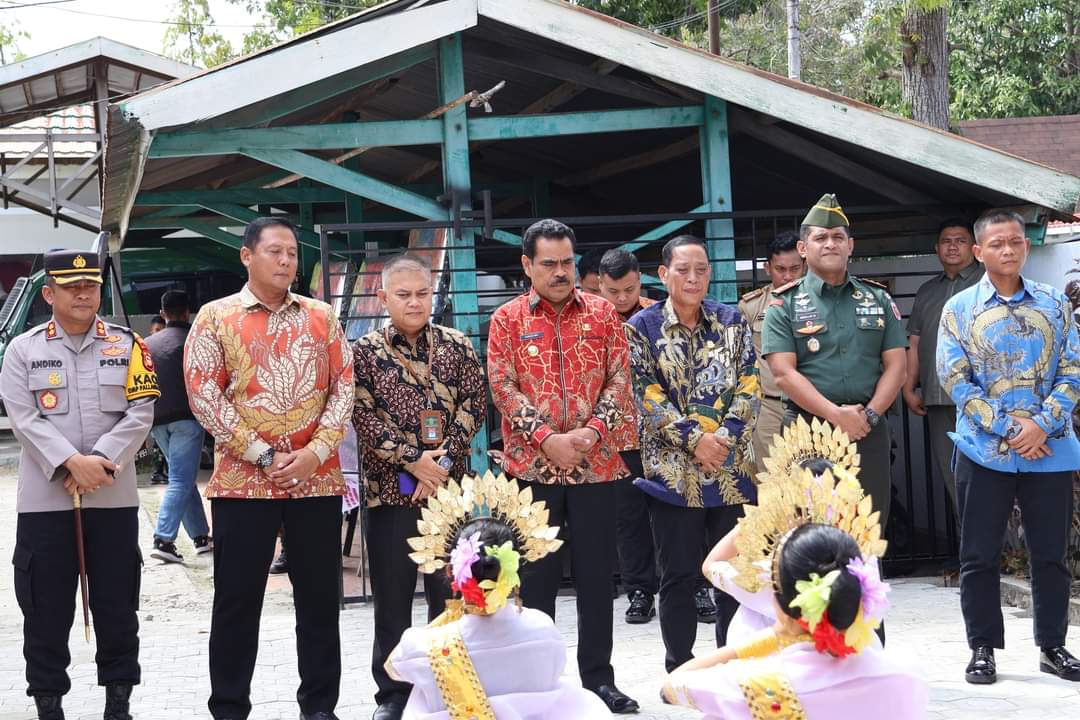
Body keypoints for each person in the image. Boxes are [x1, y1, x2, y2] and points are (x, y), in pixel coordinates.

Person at [184, 217, 354, 720]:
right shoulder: (216, 318)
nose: (285, 262)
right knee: (237, 603)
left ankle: (320, 706)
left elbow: (343, 389)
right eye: (275, 252)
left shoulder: (322, 317)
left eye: (292, 254)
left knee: (321, 602)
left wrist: (315, 453)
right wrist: (260, 453)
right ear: (247, 256)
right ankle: (230, 706)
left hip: (316, 482)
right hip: (242, 486)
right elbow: (203, 394)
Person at [486, 218, 639, 714]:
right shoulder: (506, 320)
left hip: (597, 467)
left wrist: (591, 433)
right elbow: (502, 387)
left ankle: (599, 678)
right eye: (549, 263)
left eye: (567, 262)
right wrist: (547, 438)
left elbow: (621, 380)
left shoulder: (601, 313)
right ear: (527, 265)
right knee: (536, 581)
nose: (560, 272)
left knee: (598, 577)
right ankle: (538, 683)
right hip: (532, 469)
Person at [1, 249, 159, 720]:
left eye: (90, 285)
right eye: (71, 287)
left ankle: (119, 700)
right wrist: (71, 461)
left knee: (116, 607)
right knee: (45, 611)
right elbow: (22, 417)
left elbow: (142, 410)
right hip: (45, 503)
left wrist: (101, 461)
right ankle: (48, 703)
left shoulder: (129, 344)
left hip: (113, 499)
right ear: (49, 294)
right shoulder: (23, 350)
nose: (83, 293)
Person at [936, 208, 1080, 685]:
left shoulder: (1055, 305)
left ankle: (1053, 646)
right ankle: (982, 648)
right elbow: (954, 379)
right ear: (979, 251)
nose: (1008, 250)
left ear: (1026, 246)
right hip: (985, 450)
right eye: (997, 243)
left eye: (1016, 241)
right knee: (978, 555)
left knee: (1050, 554)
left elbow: (1073, 371)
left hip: (1051, 447)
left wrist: (1041, 424)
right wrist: (1010, 429)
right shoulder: (958, 310)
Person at [352, 253, 486, 720]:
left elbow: (476, 404)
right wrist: (412, 461)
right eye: (403, 295)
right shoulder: (364, 352)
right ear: (383, 296)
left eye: (422, 294)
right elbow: (361, 415)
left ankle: (448, 687)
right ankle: (392, 694)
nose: (414, 303)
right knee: (392, 596)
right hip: (391, 493)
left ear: (433, 294)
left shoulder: (457, 344)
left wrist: (440, 463)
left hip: (451, 490)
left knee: (449, 593)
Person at [625, 234, 760, 673]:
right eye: (683, 269)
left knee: (732, 578)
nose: (693, 277)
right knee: (679, 576)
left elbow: (750, 384)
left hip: (729, 469)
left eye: (701, 269)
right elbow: (645, 394)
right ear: (664, 274)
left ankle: (730, 664)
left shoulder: (731, 320)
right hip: (672, 475)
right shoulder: (642, 327)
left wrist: (722, 439)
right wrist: (694, 441)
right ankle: (679, 666)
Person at [386, 471, 610, 719]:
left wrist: (446, 622)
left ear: (452, 572)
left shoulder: (423, 646)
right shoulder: (543, 630)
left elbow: (395, 666)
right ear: (516, 572)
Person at [661, 523, 926, 719]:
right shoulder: (905, 674)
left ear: (779, 601)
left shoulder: (749, 685)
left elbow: (671, 686)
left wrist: (775, 635)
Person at [762, 194, 907, 530]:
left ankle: (864, 585)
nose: (830, 244)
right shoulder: (784, 305)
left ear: (851, 245)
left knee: (867, 528)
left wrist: (868, 414)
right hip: (807, 429)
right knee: (811, 529)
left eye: (838, 237)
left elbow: (897, 367)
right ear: (802, 248)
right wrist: (835, 415)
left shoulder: (878, 299)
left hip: (867, 429)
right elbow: (783, 374)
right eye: (821, 237)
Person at [701, 416, 874, 648]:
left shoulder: (770, 576)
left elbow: (711, 564)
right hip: (850, 662)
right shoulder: (863, 566)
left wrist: (758, 518)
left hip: (771, 668)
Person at [902, 219, 982, 523]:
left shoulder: (989, 281)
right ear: (936, 249)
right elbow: (915, 341)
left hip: (983, 396)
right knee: (954, 475)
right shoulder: (926, 291)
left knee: (990, 472)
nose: (952, 246)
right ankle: (970, 549)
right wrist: (909, 388)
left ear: (974, 247)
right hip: (938, 396)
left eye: (960, 240)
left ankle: (1005, 551)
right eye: (946, 240)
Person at [597, 248, 659, 624]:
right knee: (628, 520)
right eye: (613, 291)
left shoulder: (658, 314)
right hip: (614, 437)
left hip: (662, 433)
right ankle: (639, 591)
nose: (622, 299)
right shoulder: (591, 318)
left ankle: (693, 586)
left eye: (629, 290)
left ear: (641, 280)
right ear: (599, 285)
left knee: (678, 514)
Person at [144, 289, 211, 564]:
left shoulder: (147, 344)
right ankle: (164, 539)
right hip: (187, 420)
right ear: (188, 312)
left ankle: (200, 537)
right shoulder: (196, 340)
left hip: (157, 421)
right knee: (181, 480)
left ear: (163, 313)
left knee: (182, 477)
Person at [738, 230, 805, 475]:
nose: (788, 276)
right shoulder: (750, 306)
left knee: (813, 483)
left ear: (805, 265)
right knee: (769, 482)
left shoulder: (819, 301)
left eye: (795, 268)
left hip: (812, 404)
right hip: (768, 407)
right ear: (767, 268)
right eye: (780, 269)